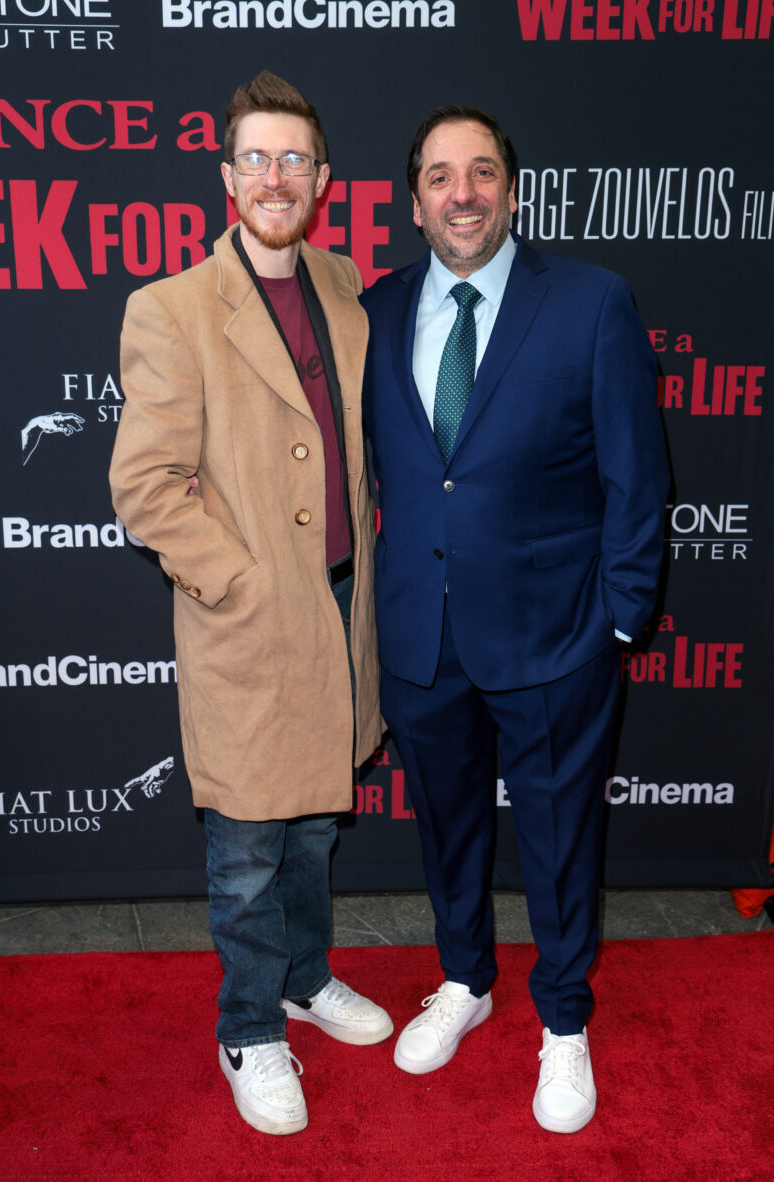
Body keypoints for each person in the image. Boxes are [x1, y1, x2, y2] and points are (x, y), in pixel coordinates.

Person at [360, 106, 669, 1133]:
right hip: (421, 636)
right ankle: (463, 980)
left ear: (509, 189)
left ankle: (564, 1021)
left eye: (481, 172)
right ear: (413, 202)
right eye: (440, 176)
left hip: (554, 636)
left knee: (556, 835)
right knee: (446, 828)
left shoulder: (587, 302)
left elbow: (635, 472)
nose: (462, 193)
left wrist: (620, 618)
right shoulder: (377, 307)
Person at [110, 72, 391, 1138]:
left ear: (320, 179)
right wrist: (235, 582)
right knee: (245, 852)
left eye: (296, 160)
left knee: (315, 828)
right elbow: (144, 487)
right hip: (247, 618)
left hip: (338, 611)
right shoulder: (171, 306)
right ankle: (247, 1027)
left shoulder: (342, 283)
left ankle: (304, 981)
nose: (277, 178)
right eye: (257, 159)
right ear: (228, 178)